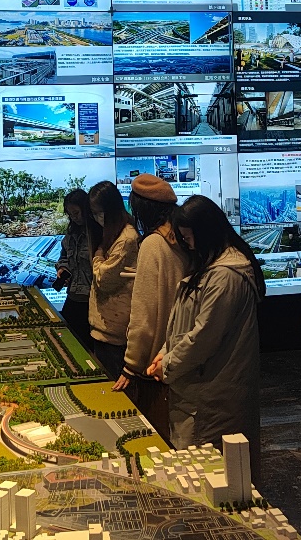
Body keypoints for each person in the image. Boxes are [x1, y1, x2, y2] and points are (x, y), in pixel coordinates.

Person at [148, 195, 265, 479]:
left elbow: (203, 337)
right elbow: (183, 326)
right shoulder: (212, 266)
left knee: (209, 474)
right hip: (197, 388)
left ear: (206, 232)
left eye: (189, 237)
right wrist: (164, 354)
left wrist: (168, 364)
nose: (188, 244)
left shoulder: (226, 275)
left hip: (211, 395)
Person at [119, 174, 190, 438]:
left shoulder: (153, 243)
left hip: (154, 364)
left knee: (155, 436)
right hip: (179, 354)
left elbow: (144, 311)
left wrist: (131, 364)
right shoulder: (180, 238)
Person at [86, 180, 139, 381]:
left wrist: (98, 255)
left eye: (99, 212)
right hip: (104, 328)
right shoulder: (112, 233)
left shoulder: (126, 238)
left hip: (115, 332)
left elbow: (104, 279)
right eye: (93, 213)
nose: (97, 217)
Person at [56, 189, 95, 350]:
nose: (74, 218)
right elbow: (64, 257)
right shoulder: (71, 233)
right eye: (70, 214)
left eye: (77, 213)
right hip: (73, 296)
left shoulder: (96, 233)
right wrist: (62, 268)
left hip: (91, 301)